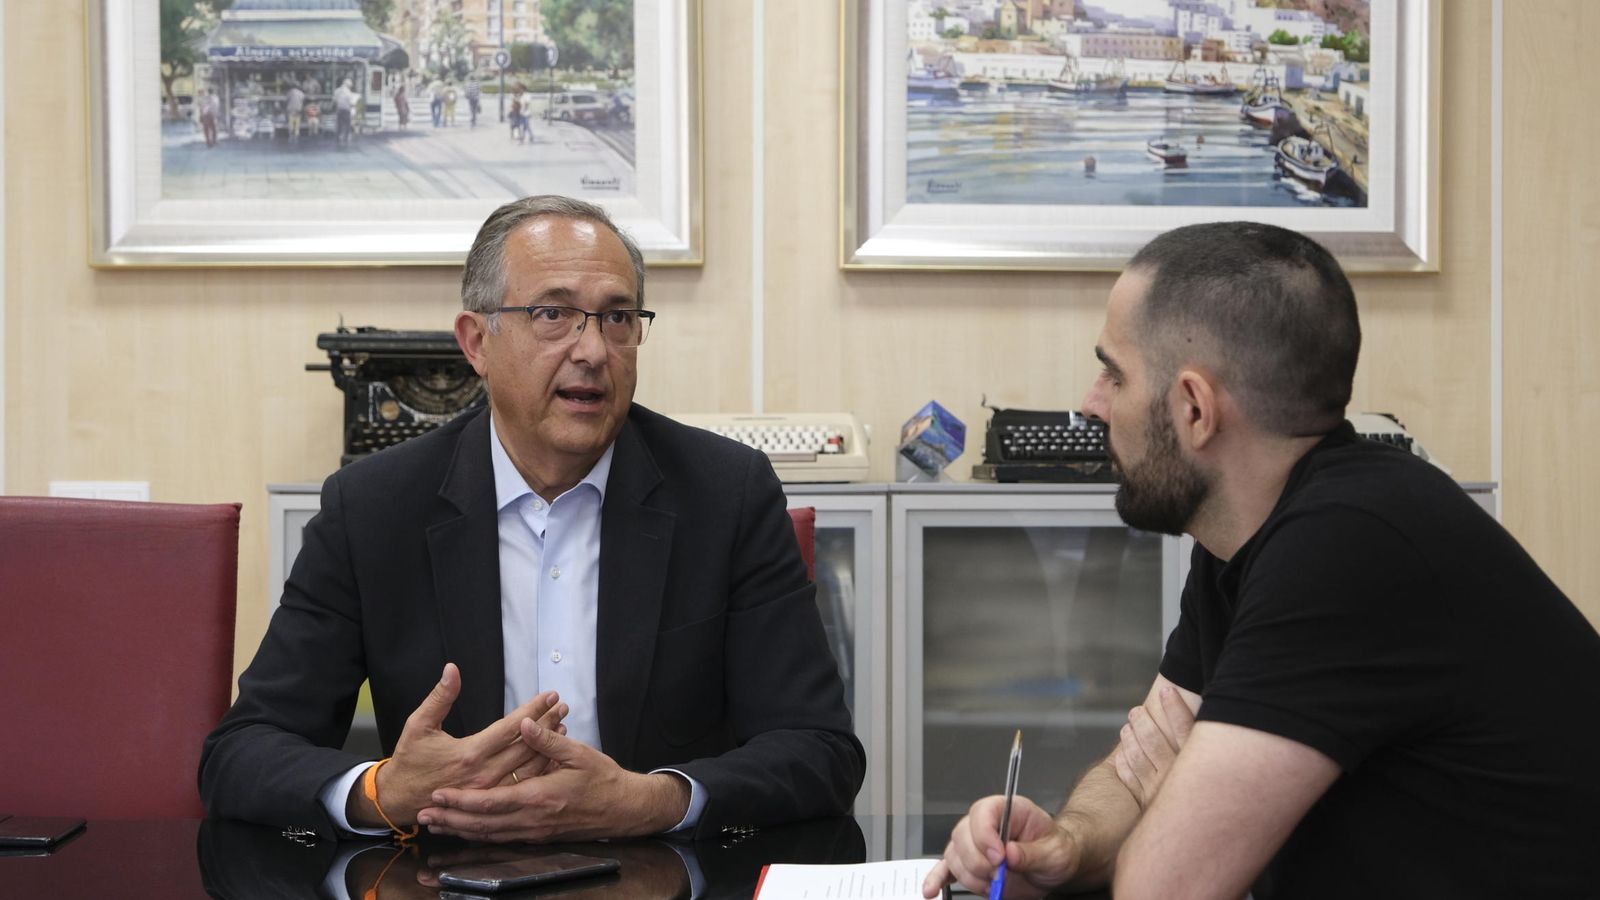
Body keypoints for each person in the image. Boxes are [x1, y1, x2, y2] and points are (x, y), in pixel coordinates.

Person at [923, 222, 1600, 900]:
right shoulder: (1246, 534)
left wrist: (1168, 798)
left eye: (1113, 373)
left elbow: (1164, 889)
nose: (1091, 403)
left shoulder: (1348, 544)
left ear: (1194, 408)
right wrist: (1066, 846)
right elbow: (1137, 770)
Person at [200, 195, 865, 843]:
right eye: (554, 314)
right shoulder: (374, 509)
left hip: (657, 870)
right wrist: (384, 792)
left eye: (618, 318)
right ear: (477, 341)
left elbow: (820, 751)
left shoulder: (726, 497)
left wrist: (650, 801)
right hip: (447, 879)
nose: (594, 350)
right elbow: (242, 753)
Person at [333, 78, 357, 147]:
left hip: (339, 109)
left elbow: (334, 100)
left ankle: (337, 138)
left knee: (339, 125)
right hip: (346, 110)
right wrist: (353, 106)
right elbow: (351, 102)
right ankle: (345, 138)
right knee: (347, 125)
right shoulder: (348, 92)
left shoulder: (337, 90)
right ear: (348, 85)